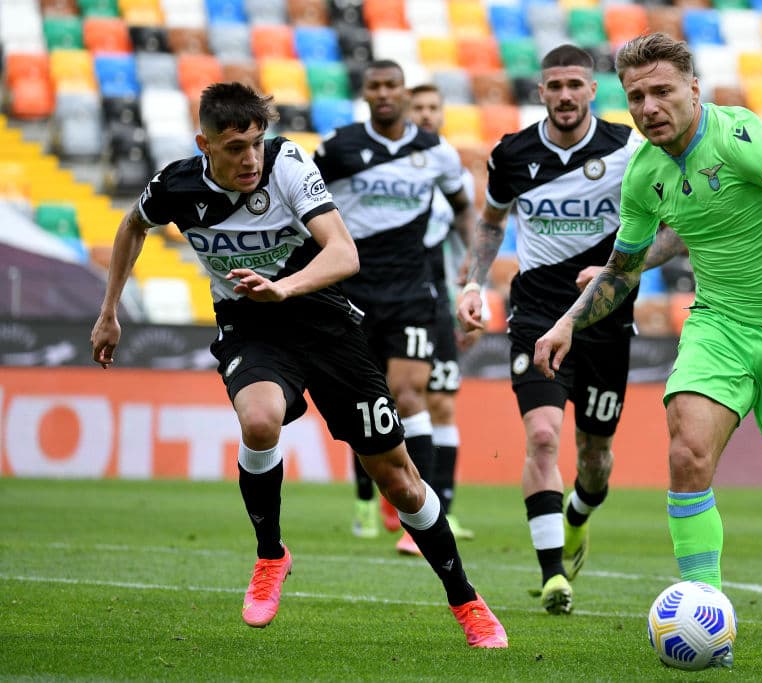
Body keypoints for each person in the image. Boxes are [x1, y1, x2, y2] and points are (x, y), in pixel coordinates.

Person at [90, 82, 507, 648]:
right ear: (203, 144)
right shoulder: (176, 185)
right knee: (258, 421)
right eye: (235, 147)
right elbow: (132, 227)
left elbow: (343, 252)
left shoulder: (286, 163)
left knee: (400, 482)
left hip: (325, 323)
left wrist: (283, 288)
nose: (249, 158)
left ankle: (466, 600)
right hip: (252, 327)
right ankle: (270, 557)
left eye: (255, 143)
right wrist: (110, 310)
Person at [534, 33, 762, 597]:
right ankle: (703, 604)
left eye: (662, 92)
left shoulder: (739, 137)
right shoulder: (643, 173)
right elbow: (623, 269)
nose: (649, 108)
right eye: (636, 97)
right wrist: (567, 321)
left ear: (694, 89)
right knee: (687, 451)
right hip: (720, 325)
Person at [456, 44, 682, 615]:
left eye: (574, 85)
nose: (564, 95)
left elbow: (677, 232)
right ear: (541, 93)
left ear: (591, 91)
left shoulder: (631, 150)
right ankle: (554, 575)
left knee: (596, 457)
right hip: (534, 315)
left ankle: (578, 515)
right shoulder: (511, 154)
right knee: (540, 438)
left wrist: (624, 267)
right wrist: (472, 283)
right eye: (554, 85)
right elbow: (490, 224)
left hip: (604, 318)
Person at [313, 61, 479, 556]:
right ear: (365, 92)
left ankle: (420, 516)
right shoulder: (337, 147)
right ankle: (371, 496)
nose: (384, 93)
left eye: (392, 85)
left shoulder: (435, 152)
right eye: (374, 86)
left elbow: (465, 209)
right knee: (363, 404)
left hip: (411, 295)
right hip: (351, 295)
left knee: (411, 397)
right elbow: (304, 207)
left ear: (404, 93)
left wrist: (475, 269)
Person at [409, 83, 478, 540]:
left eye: (435, 107)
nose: (427, 114)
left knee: (442, 404)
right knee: (399, 401)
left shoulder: (454, 173)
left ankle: (442, 508)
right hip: (391, 303)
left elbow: (468, 244)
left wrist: (470, 299)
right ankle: (394, 501)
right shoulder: (384, 170)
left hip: (439, 305)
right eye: (420, 107)